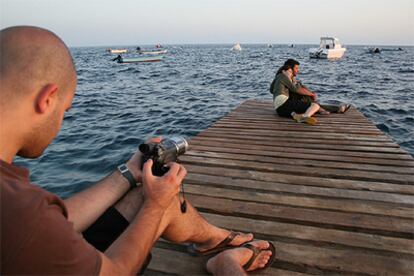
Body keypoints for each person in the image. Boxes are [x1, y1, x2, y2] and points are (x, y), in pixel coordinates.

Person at [0, 26, 275, 275]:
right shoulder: (19, 210)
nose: (62, 122)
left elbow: (58, 221)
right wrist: (156, 205)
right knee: (156, 203)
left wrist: (129, 171)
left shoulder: (19, 206)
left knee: (145, 196)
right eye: (65, 110)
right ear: (47, 99)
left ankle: (213, 239)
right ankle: (227, 265)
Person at [270, 59, 350, 124]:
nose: (298, 70)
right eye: (296, 68)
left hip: (281, 109)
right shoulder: (283, 76)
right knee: (314, 105)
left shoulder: (279, 77)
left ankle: (327, 109)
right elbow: (296, 89)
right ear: (288, 69)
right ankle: (306, 116)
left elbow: (271, 90)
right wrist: (288, 78)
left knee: (311, 102)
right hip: (284, 105)